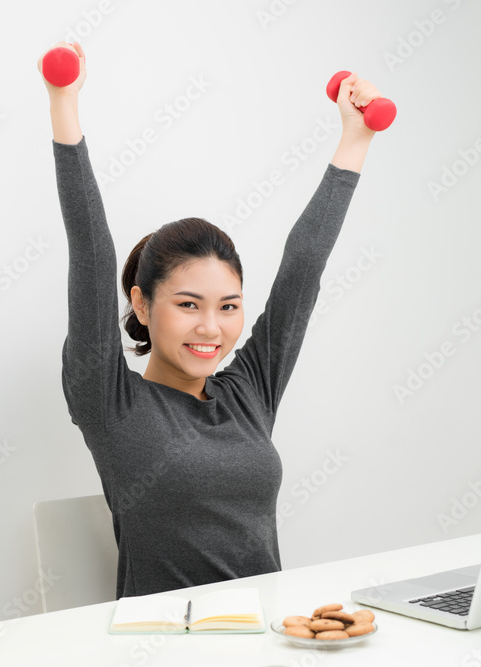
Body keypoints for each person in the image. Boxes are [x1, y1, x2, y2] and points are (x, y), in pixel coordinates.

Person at [44, 41, 377, 599]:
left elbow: (303, 269)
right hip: (167, 646)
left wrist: (356, 137)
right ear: (143, 306)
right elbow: (90, 251)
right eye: (188, 305)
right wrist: (63, 103)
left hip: (271, 637)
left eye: (228, 307)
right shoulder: (109, 402)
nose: (211, 329)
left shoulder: (249, 391)